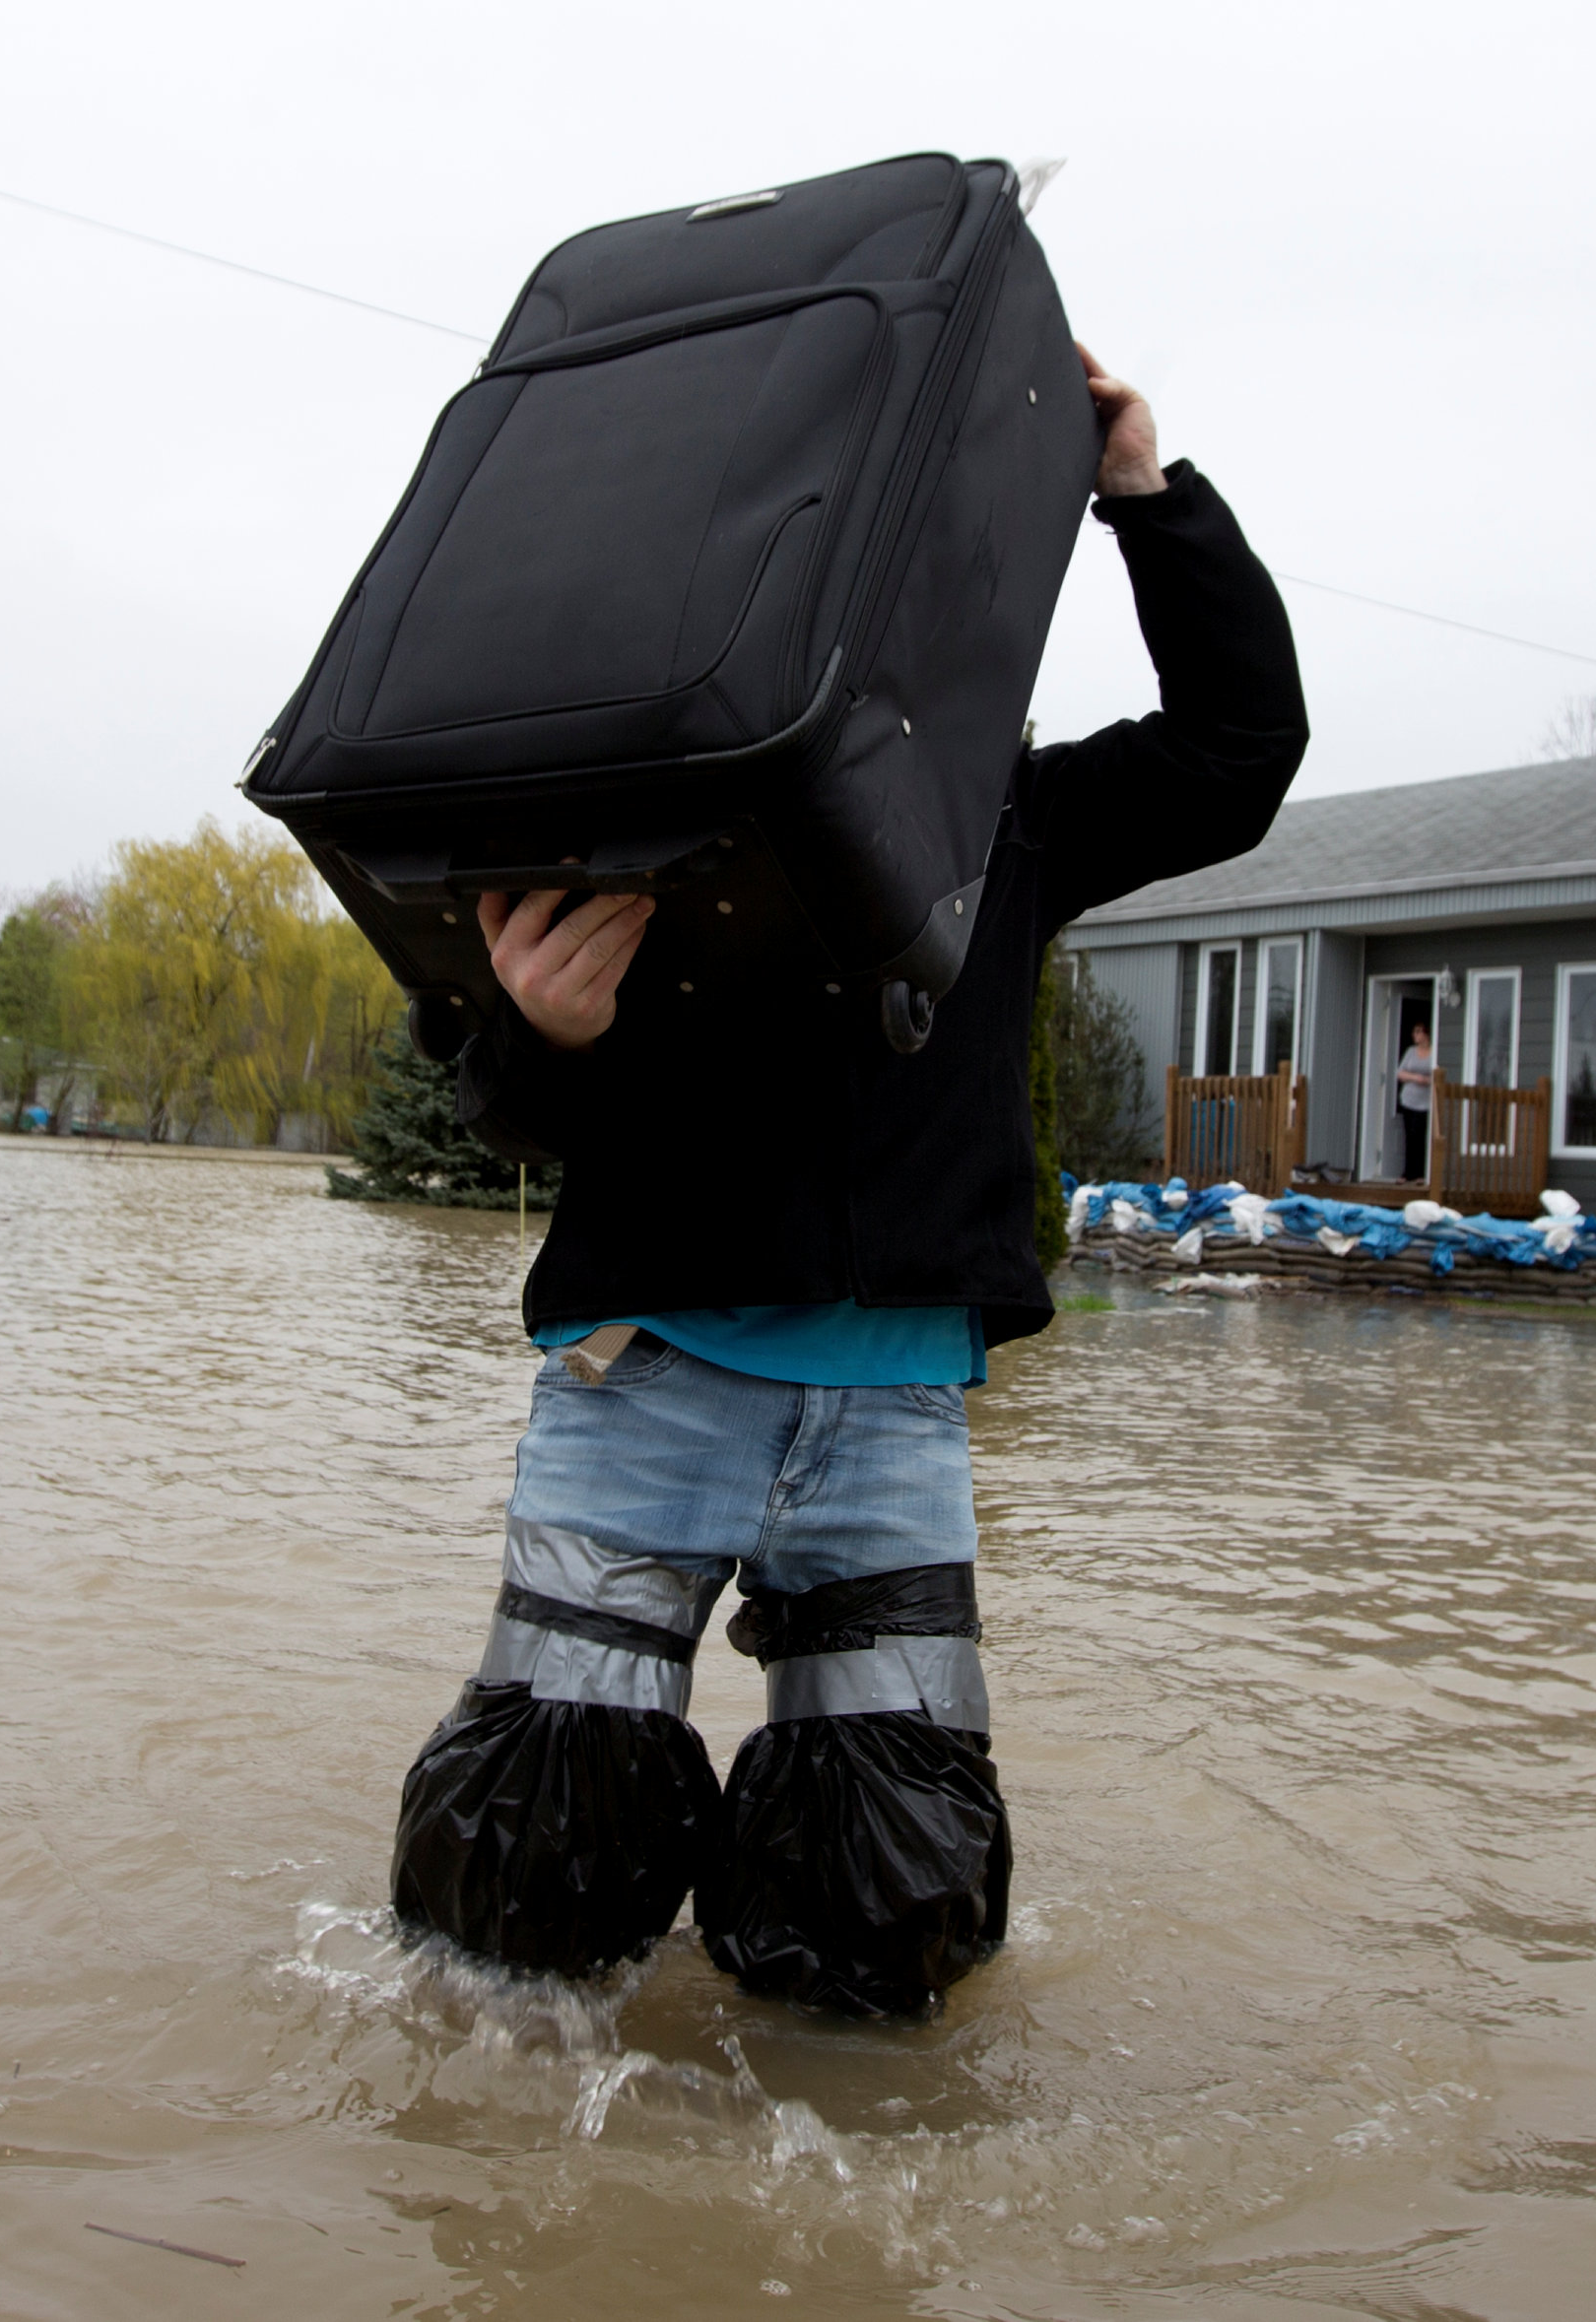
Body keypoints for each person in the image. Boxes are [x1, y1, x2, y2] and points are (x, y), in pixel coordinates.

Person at [389, 347, 1308, 2016]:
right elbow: (501, 1106)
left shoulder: (1012, 817)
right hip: (642, 1378)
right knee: (523, 1903)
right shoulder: (615, 804)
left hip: (891, 1421)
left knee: (881, 1922)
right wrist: (536, 1029)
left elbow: (1243, 745)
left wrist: (1143, 494)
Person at [1394, 1024, 1433, 1182]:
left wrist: (1427, 1080)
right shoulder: (1411, 1052)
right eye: (1414, 1032)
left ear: (1426, 1034)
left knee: (1420, 1136)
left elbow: (1437, 1075)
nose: (1415, 1035)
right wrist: (1415, 1078)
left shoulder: (1433, 1052)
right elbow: (1400, 1073)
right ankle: (1407, 1173)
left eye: (1418, 1032)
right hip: (1409, 1099)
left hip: (1425, 1102)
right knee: (1409, 1136)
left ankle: (1420, 1173)